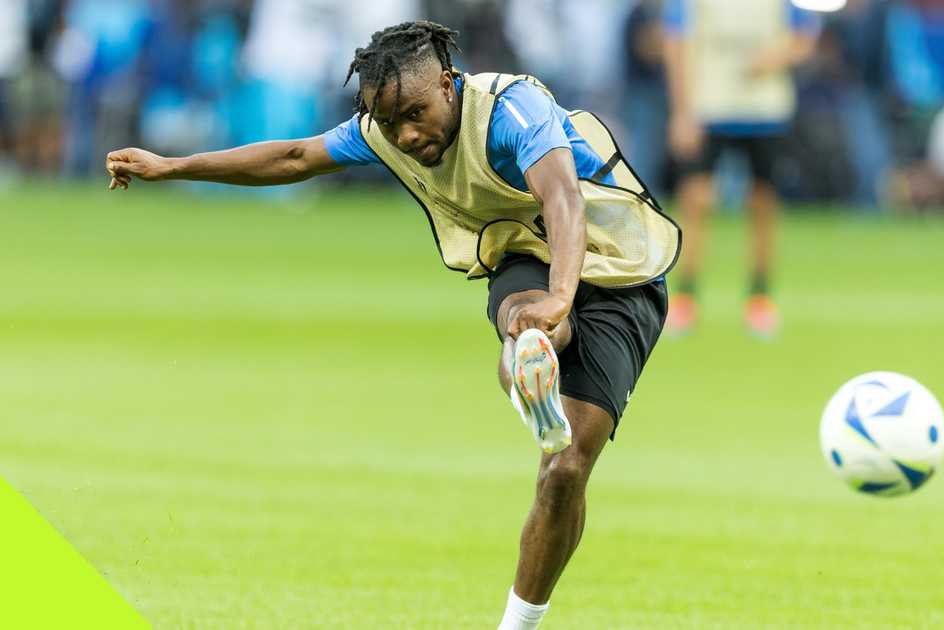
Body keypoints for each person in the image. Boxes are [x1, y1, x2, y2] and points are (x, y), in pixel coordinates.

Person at [104, 21, 680, 630]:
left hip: (621, 265)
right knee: (531, 351)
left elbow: (562, 199)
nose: (406, 134)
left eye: (416, 112)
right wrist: (172, 166)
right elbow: (295, 155)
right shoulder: (383, 131)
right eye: (388, 122)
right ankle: (533, 350)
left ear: (450, 85)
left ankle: (532, 354)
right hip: (524, 255)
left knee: (564, 464)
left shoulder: (515, 109)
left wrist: (564, 295)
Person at [662, 0, 819, 338]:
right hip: (709, 106)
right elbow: (675, 41)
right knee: (696, 199)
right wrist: (681, 112)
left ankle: (760, 297)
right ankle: (685, 296)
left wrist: (776, 58)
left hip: (766, 110)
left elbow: (805, 38)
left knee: (763, 203)